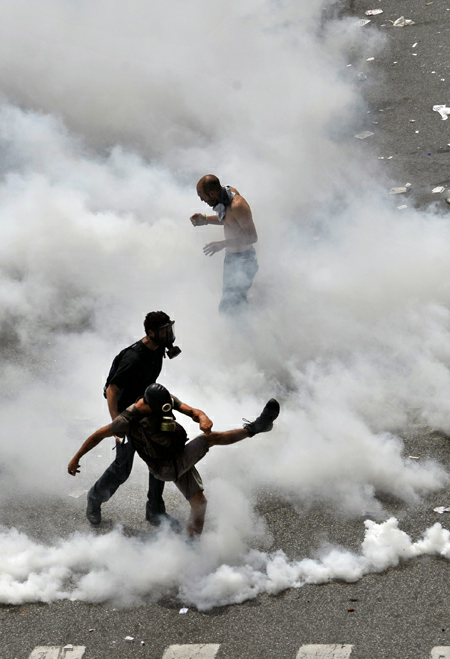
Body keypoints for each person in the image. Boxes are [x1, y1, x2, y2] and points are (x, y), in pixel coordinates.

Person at [69, 384, 280, 537]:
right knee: (210, 440)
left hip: (177, 456)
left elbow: (192, 411)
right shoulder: (127, 420)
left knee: (199, 504)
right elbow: (97, 435)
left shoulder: (164, 400)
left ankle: (191, 550)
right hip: (165, 468)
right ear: (149, 406)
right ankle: (256, 427)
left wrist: (203, 417)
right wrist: (76, 459)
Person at [86, 311, 182, 528]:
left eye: (170, 329)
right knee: (122, 468)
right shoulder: (134, 357)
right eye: (164, 331)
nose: (169, 334)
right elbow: (112, 389)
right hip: (128, 414)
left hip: (147, 408)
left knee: (160, 458)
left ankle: (155, 511)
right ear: (150, 333)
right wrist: (117, 422)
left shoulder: (157, 348)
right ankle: (94, 499)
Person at [190, 175, 259, 314]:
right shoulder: (225, 197)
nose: (201, 200)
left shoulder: (237, 205)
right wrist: (207, 220)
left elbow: (252, 237)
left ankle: (247, 331)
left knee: (230, 307)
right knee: (233, 302)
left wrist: (222, 244)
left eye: (202, 196)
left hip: (244, 261)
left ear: (212, 193)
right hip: (232, 259)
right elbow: (229, 220)